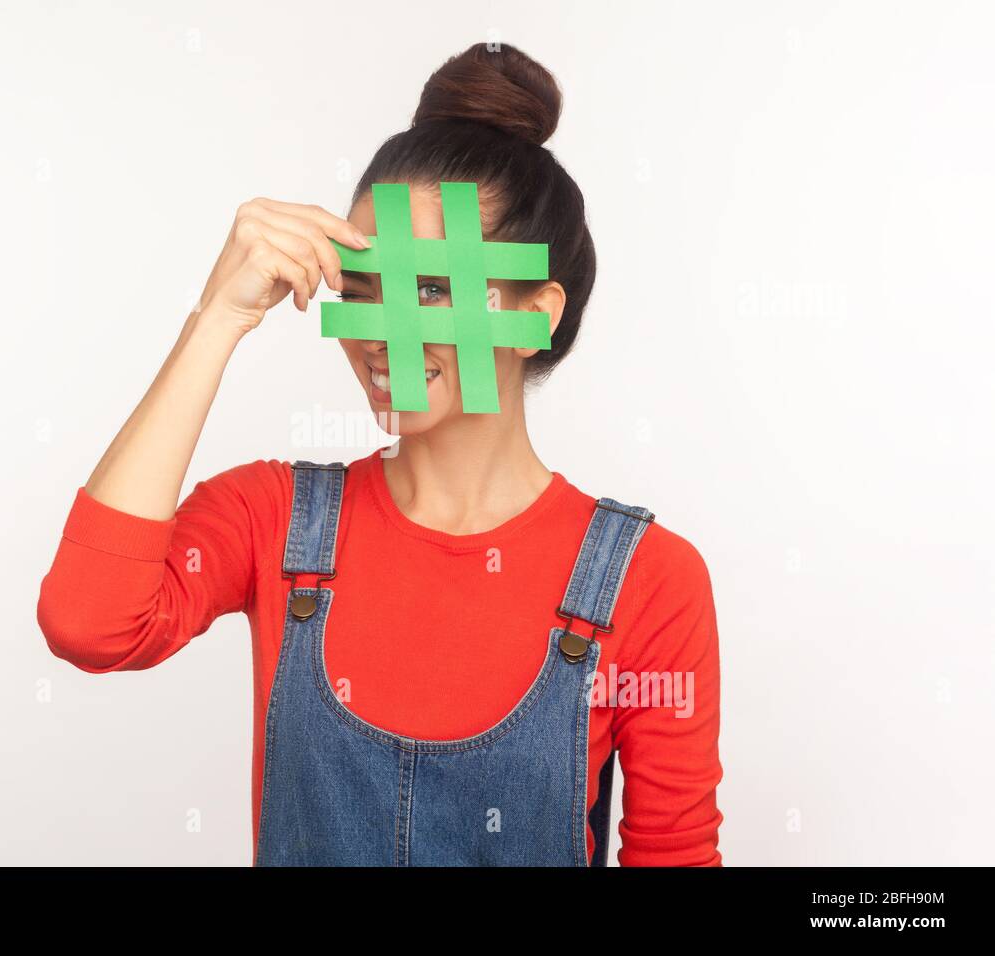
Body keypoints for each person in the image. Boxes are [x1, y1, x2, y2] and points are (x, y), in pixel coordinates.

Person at [37, 42, 723, 866]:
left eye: (431, 288)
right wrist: (216, 315)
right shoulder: (276, 520)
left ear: (537, 313)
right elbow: (88, 624)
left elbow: (675, 856)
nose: (380, 333)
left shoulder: (650, 580)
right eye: (360, 290)